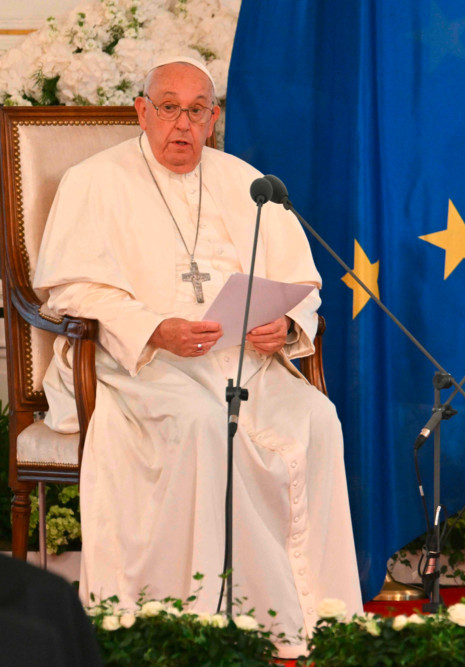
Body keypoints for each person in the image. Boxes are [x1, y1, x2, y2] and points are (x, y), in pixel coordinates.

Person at [33, 56, 362, 657]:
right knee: (205, 424)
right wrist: (156, 329)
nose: (182, 125)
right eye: (168, 108)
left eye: (196, 111)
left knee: (318, 419)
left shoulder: (248, 183)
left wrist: (284, 326)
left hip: (240, 362)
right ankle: (194, 622)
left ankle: (304, 619)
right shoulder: (93, 181)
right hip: (138, 364)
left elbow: (301, 286)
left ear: (214, 118)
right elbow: (70, 292)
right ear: (142, 111)